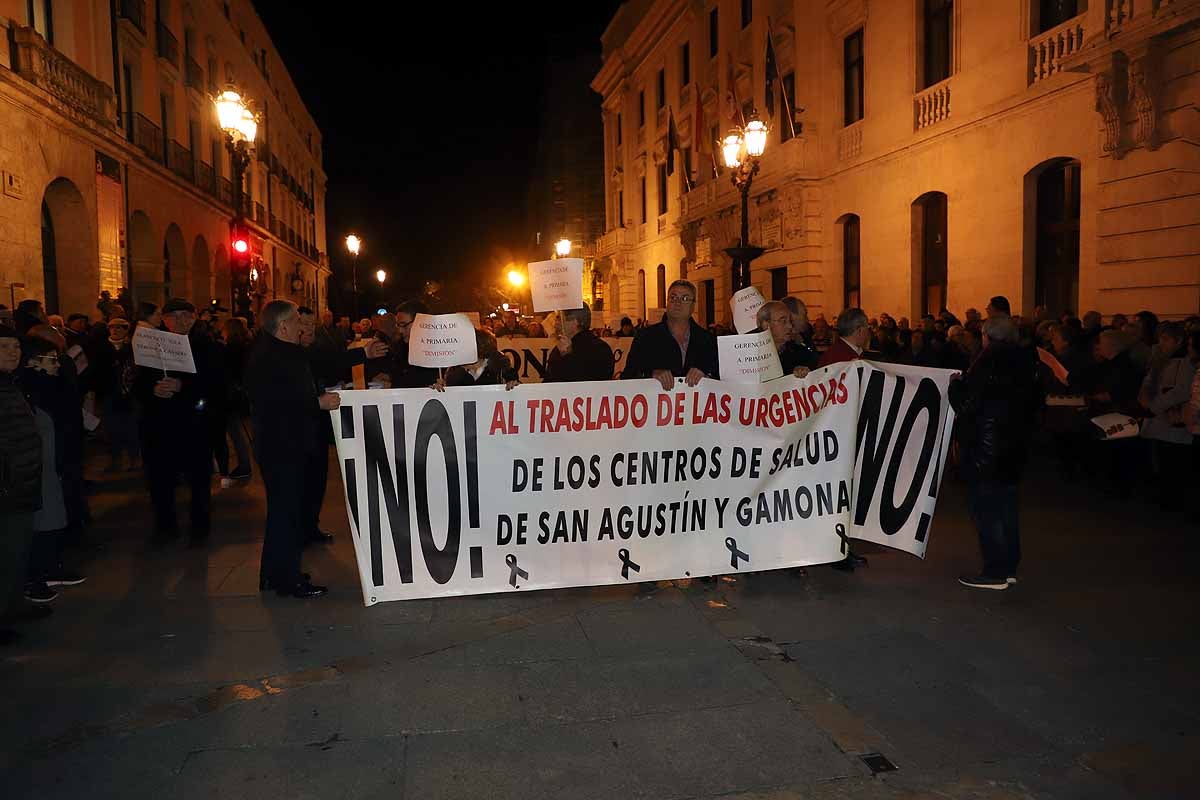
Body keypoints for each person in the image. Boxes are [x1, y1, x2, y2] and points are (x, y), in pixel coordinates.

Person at [246, 300, 339, 598]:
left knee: (281, 512)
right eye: (298, 320)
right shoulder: (274, 357)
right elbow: (274, 403)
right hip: (284, 446)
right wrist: (318, 403)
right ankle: (288, 579)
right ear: (283, 325)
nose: (303, 325)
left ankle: (273, 573)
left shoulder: (274, 352)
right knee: (289, 513)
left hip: (280, 444)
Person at [949, 316, 1041, 590]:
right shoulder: (1026, 360)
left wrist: (955, 385)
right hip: (1013, 447)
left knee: (987, 511)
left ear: (988, 336)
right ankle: (1009, 566)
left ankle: (994, 572)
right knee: (1007, 508)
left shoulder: (987, 361)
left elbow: (967, 404)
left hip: (986, 449)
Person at [298, 306, 387, 545]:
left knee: (318, 477)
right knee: (301, 483)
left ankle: (309, 526)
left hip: (315, 426)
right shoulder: (288, 353)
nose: (308, 329)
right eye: (302, 324)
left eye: (311, 324)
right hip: (295, 432)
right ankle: (299, 530)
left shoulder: (313, 349)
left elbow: (330, 363)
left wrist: (361, 356)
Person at [133, 299, 213, 546]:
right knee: (160, 479)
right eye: (173, 316)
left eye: (186, 315)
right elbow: (134, 383)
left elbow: (217, 385)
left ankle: (199, 528)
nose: (180, 321)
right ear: (163, 319)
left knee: (198, 479)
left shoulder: (206, 347)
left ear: (194, 317)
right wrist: (152, 389)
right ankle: (165, 527)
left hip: (194, 424)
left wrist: (183, 386)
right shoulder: (148, 345)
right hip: (158, 424)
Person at [19, 336, 82, 601]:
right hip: (39, 464)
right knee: (43, 518)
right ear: (33, 362)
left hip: (58, 458)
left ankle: (51, 566)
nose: (58, 365)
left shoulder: (52, 385)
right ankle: (36, 575)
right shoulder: (31, 388)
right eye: (52, 360)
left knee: (55, 514)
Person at [0, 326, 42, 644]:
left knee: (18, 549)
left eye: (15, 346)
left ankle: (14, 604)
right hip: (7, 484)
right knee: (7, 550)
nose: (13, 352)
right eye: (4, 347)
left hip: (22, 481)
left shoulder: (12, 383)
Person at [1138, 321, 1195, 509]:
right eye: (1160, 338)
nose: (1161, 343)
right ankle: (1161, 494)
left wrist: (1154, 406)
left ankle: (1170, 498)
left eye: (1165, 339)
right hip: (1155, 417)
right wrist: (1144, 396)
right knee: (1159, 460)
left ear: (1178, 341)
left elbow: (1180, 391)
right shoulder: (1159, 359)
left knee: (1171, 462)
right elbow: (1149, 380)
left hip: (1170, 420)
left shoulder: (1185, 363)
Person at [623, 279, 718, 391]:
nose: (678, 302)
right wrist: (651, 374)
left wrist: (706, 375)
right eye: (673, 297)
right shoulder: (645, 337)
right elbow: (627, 377)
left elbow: (723, 379)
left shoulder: (708, 341)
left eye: (685, 298)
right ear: (667, 303)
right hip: (657, 405)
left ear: (693, 306)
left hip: (697, 406)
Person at [96, 317, 139, 471]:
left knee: (131, 428)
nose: (115, 330)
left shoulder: (132, 348)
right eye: (112, 327)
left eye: (119, 327)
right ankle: (115, 459)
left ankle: (133, 458)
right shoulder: (101, 347)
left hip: (129, 395)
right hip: (109, 394)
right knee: (111, 429)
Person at [215, 317, 254, 486]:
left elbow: (226, 372)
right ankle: (245, 464)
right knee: (237, 431)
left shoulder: (230, 349)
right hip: (239, 394)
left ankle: (244, 465)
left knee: (235, 432)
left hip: (230, 396)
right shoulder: (246, 346)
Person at [545, 304, 615, 382]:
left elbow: (589, 382)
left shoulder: (599, 349)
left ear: (575, 322)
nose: (555, 324)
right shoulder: (559, 348)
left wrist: (567, 356)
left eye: (559, 318)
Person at [435, 328, 520, 389]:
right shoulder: (453, 373)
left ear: (479, 350)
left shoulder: (502, 371)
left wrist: (514, 386)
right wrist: (440, 391)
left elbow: (518, 399)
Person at [756, 301, 813, 377]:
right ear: (766, 325)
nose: (790, 326)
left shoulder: (800, 352)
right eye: (783, 321)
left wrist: (803, 372)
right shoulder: (752, 356)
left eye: (790, 321)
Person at [390, 300, 439, 388]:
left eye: (404, 325)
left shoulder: (441, 351)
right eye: (398, 325)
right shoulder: (399, 348)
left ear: (421, 322)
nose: (400, 331)